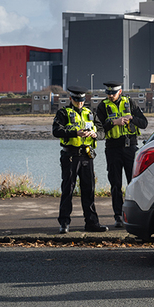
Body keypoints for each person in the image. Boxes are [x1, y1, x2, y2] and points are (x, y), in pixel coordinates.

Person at [52, 86, 107, 234]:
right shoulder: (63, 113)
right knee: (68, 190)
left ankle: (92, 223)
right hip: (70, 156)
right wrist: (75, 132)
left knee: (89, 190)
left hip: (87, 156)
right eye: (76, 100)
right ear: (71, 99)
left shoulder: (90, 113)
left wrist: (95, 134)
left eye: (82, 100)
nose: (79, 103)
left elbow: (102, 132)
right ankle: (64, 223)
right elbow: (56, 131)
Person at [96, 81, 148, 228]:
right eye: (108, 93)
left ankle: (135, 215)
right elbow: (98, 128)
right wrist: (113, 123)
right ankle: (118, 216)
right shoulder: (102, 106)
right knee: (116, 184)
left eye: (113, 93)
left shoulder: (130, 103)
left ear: (120, 92)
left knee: (134, 183)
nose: (110, 95)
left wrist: (131, 118)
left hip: (130, 147)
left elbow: (144, 123)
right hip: (113, 148)